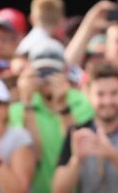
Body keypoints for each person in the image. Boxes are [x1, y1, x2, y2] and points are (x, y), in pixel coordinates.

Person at [53, 64, 118, 193]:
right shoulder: (78, 133)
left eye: (114, 93)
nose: (107, 101)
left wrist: (113, 154)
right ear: (88, 95)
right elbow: (58, 190)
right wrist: (76, 160)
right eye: (100, 94)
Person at [9, 47, 95, 193]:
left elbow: (72, 151)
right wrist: (27, 103)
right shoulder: (17, 110)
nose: (46, 79)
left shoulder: (82, 101)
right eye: (41, 72)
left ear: (64, 73)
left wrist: (62, 106)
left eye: (52, 72)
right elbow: (34, 156)